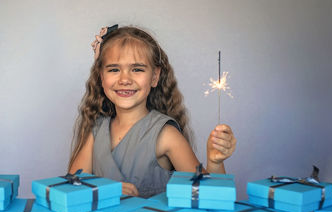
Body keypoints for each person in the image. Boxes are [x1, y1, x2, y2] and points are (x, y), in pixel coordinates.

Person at [68, 25, 236, 198]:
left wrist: (215, 163)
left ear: (155, 77)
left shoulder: (166, 135)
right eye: (114, 70)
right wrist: (105, 191)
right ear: (101, 77)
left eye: (137, 69)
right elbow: (69, 190)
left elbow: (210, 198)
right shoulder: (97, 130)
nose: (125, 79)